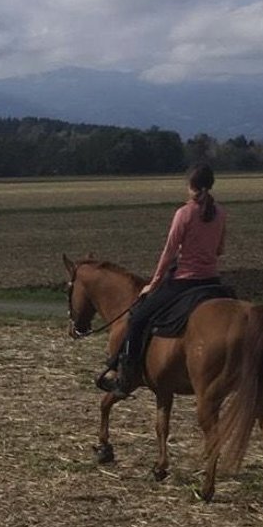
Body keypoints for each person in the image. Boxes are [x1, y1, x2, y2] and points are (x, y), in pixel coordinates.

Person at [96, 163, 226, 396]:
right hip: (213, 282)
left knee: (137, 319)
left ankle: (126, 377)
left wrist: (153, 284)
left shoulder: (183, 214)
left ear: (190, 186)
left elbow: (168, 252)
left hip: (185, 281)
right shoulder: (220, 213)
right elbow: (220, 250)